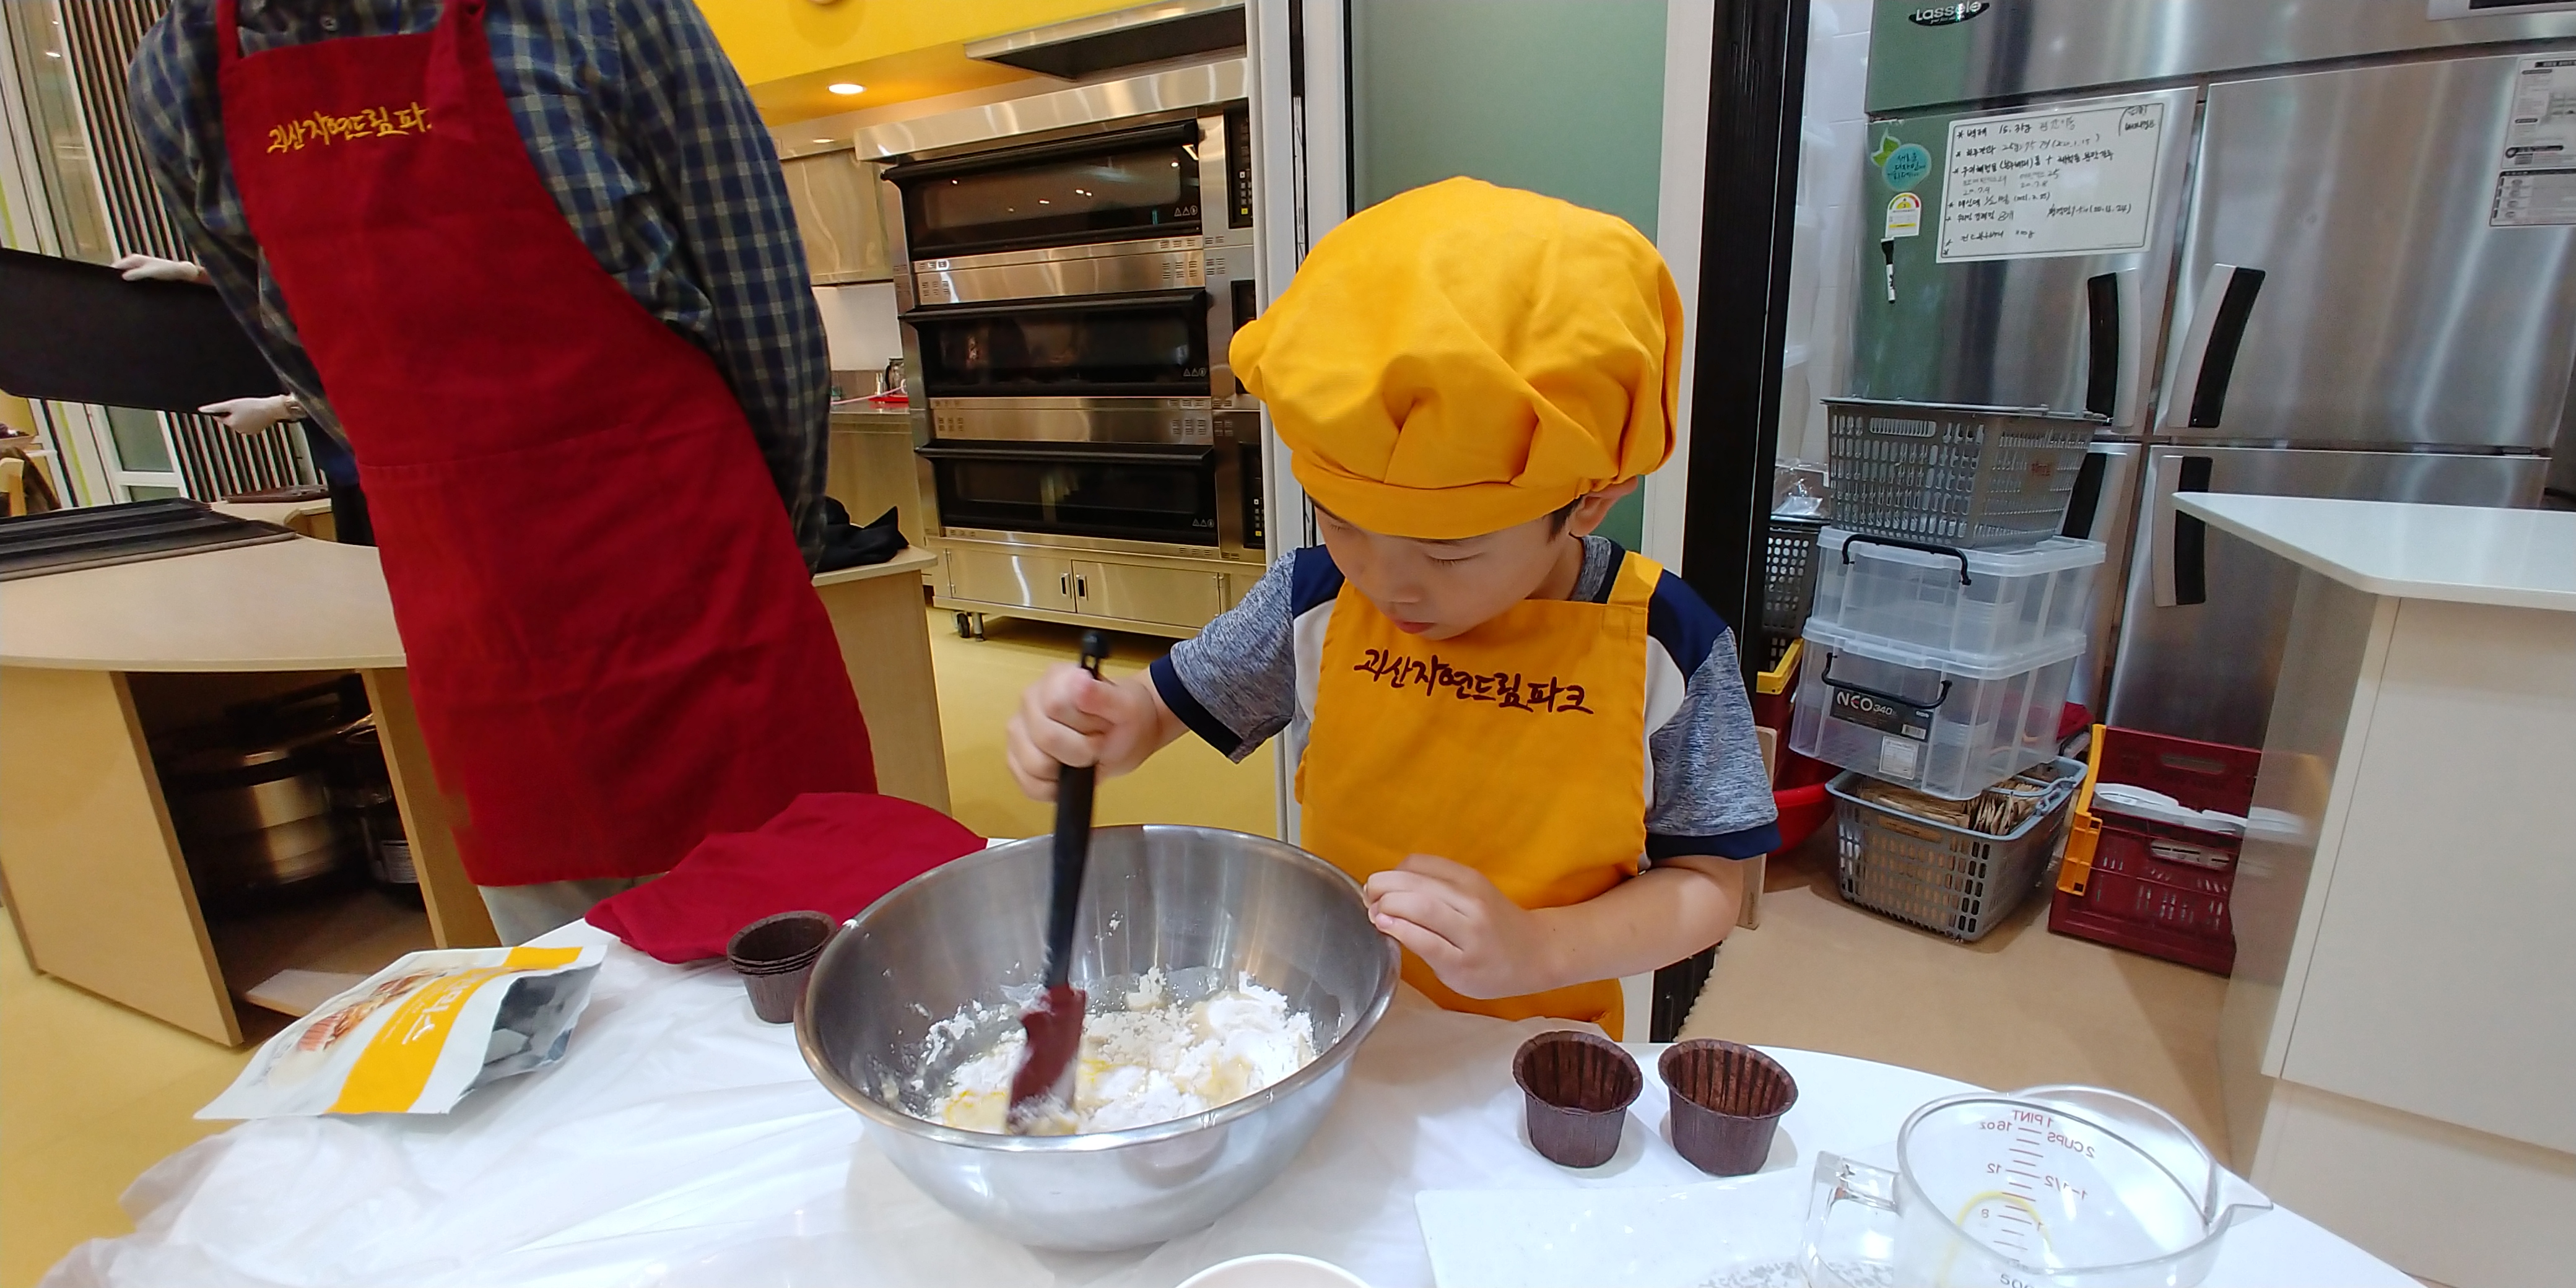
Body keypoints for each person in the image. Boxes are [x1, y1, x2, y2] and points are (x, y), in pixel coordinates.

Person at [128, 0, 876, 943]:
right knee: (571, 983)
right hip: (482, 644)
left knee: (799, 956)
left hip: (701, 586)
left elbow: (764, 312)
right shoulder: (182, 71)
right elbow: (305, 360)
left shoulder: (599, 12)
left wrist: (769, 551)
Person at [1007, 178, 1779, 1040]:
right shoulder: (1313, 597)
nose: (1386, 583)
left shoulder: (1664, 640)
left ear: (1590, 501)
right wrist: (1108, 724)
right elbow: (1158, 709)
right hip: (1327, 1032)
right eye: (1342, 523)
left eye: (1449, 552)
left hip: (1532, 1054)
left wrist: (1537, 947)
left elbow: (1710, 884)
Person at [113, 252, 376, 544]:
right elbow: (280, 293)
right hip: (347, 468)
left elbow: (376, 378)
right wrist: (193, 275)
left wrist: (285, 407)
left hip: (383, 462)